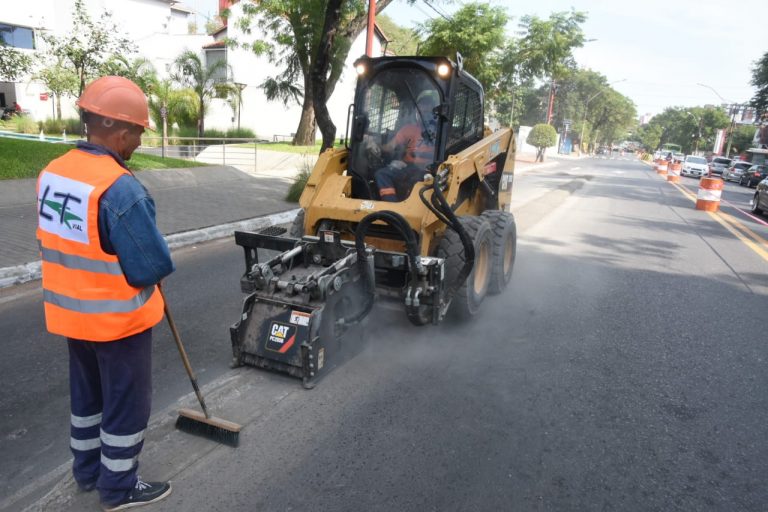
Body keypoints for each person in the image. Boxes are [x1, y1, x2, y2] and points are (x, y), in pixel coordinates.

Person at [36, 76, 174, 511]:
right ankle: (117, 488)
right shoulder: (120, 188)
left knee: (88, 399)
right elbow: (149, 265)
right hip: (118, 323)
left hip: (72, 317)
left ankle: (87, 471)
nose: (139, 141)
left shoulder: (53, 173)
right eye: (138, 132)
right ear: (118, 130)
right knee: (125, 404)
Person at [374, 93, 438, 202]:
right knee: (382, 174)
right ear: (416, 112)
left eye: (427, 110)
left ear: (434, 113)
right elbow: (390, 146)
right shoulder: (408, 129)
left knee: (416, 179)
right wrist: (375, 144)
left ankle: (408, 206)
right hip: (408, 167)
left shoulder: (440, 132)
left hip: (429, 169)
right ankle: (391, 205)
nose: (423, 114)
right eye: (421, 110)